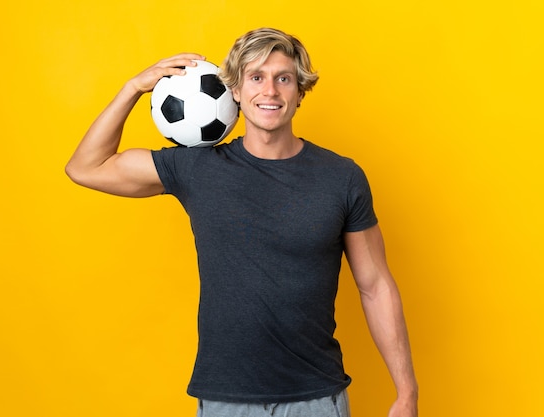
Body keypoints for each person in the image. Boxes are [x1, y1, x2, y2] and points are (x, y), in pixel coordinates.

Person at [66, 28, 418, 417]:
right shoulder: (198, 168)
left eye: (283, 78)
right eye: (256, 77)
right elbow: (86, 167)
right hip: (224, 401)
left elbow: (375, 286)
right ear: (234, 90)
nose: (269, 91)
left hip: (316, 399)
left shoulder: (342, 177)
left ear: (300, 92)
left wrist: (406, 393)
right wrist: (133, 87)